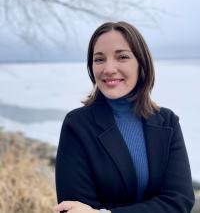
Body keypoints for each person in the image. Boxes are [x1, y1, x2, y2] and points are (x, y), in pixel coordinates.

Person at [54, 21, 195, 213]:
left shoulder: (167, 122)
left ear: (141, 63)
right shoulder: (77, 125)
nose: (109, 69)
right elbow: (73, 209)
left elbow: (179, 201)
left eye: (122, 57)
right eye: (99, 59)